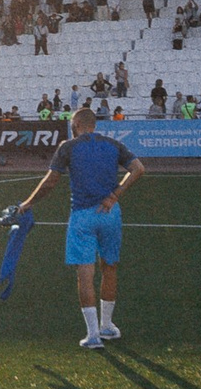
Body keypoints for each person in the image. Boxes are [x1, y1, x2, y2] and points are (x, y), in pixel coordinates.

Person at [14, 107, 144, 349]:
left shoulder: (68, 146)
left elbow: (50, 181)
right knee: (110, 267)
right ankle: (107, 326)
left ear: (75, 125)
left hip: (82, 215)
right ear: (94, 125)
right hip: (110, 213)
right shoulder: (113, 144)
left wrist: (28, 203)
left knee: (85, 273)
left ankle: (93, 335)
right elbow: (138, 168)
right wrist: (115, 195)